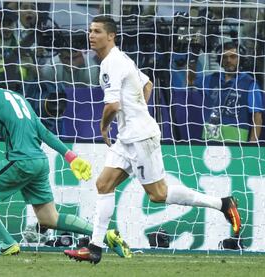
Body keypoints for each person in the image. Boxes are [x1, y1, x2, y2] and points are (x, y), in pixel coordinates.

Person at [64, 16, 241, 264]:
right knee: (104, 184)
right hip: (128, 137)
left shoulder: (111, 63)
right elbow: (147, 83)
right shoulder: (121, 59)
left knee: (158, 194)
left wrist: (104, 128)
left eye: (97, 31)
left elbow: (113, 105)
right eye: (90, 31)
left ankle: (222, 203)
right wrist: (137, 113)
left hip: (139, 138)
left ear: (111, 36)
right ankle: (94, 247)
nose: (91, 35)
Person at [0, 64, 129, 256]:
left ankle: (6, 242)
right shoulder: (18, 98)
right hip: (39, 162)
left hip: (21, 161)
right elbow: (44, 132)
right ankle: (103, 235)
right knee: (49, 218)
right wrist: (70, 156)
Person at [201, 41, 263, 142]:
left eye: (233, 57)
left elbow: (257, 116)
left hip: (236, 143)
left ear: (240, 59)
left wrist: (253, 143)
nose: (228, 60)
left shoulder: (250, 84)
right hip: (210, 138)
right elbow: (190, 81)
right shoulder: (211, 79)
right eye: (225, 57)